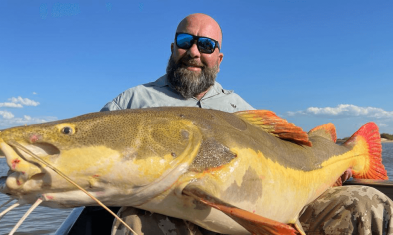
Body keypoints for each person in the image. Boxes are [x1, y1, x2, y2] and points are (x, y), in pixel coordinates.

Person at [101, 13, 393, 235]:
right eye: (184, 41)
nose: (194, 51)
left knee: (368, 200)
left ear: (219, 58)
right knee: (134, 223)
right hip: (173, 216)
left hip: (258, 212)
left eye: (206, 45)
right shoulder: (132, 101)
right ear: (172, 47)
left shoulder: (238, 107)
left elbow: (286, 147)